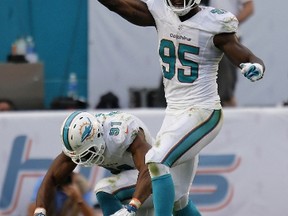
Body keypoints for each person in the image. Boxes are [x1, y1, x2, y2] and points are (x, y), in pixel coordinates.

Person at [95, 0, 265, 215]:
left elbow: (244, 54)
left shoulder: (213, 22)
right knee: (178, 199)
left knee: (156, 160)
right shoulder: (160, 13)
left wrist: (254, 65)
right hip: (174, 113)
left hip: (203, 111)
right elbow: (120, 5)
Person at [209, 0, 255, 106]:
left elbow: (249, 7)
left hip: (227, 38)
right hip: (201, 38)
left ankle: (228, 113)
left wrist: (230, 25)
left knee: (225, 88)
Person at [28, 172, 95, 216]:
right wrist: (48, 191)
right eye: (63, 173)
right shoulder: (45, 182)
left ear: (76, 175)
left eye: (69, 174)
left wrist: (78, 199)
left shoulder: (83, 187)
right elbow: (32, 210)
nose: (65, 177)